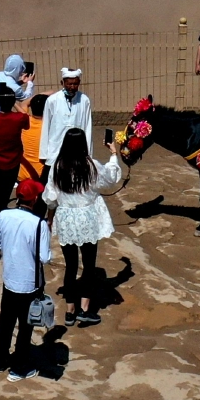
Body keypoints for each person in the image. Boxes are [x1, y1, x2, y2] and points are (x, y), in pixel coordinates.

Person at [44, 127, 127, 325]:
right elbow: (111, 179)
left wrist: (50, 218)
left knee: (71, 265)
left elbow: (50, 198)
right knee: (89, 266)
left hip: (66, 219)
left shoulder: (57, 166)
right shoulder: (90, 165)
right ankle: (85, 309)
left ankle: (70, 312)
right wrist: (114, 153)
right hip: (87, 219)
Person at [0, 179, 54, 381]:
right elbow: (45, 257)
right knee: (26, 327)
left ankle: (0, 361)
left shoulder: (3, 215)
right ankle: (19, 367)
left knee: (5, 322)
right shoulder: (39, 224)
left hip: (10, 280)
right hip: (29, 284)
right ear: (34, 199)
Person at [0, 88, 30, 233]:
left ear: (0, 103)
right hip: (12, 163)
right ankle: (3, 229)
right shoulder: (19, 119)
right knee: (4, 197)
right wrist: (14, 102)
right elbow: (25, 116)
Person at [39, 67, 93, 173]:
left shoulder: (84, 100)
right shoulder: (52, 100)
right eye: (69, 84)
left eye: (75, 84)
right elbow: (46, 127)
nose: (72, 87)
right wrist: (44, 153)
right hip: (56, 148)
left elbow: (88, 127)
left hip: (77, 149)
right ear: (62, 83)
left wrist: (88, 154)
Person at [18, 94, 47, 184]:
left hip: (22, 173)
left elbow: (24, 103)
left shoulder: (24, 120)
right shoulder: (48, 127)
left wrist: (40, 96)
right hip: (41, 174)